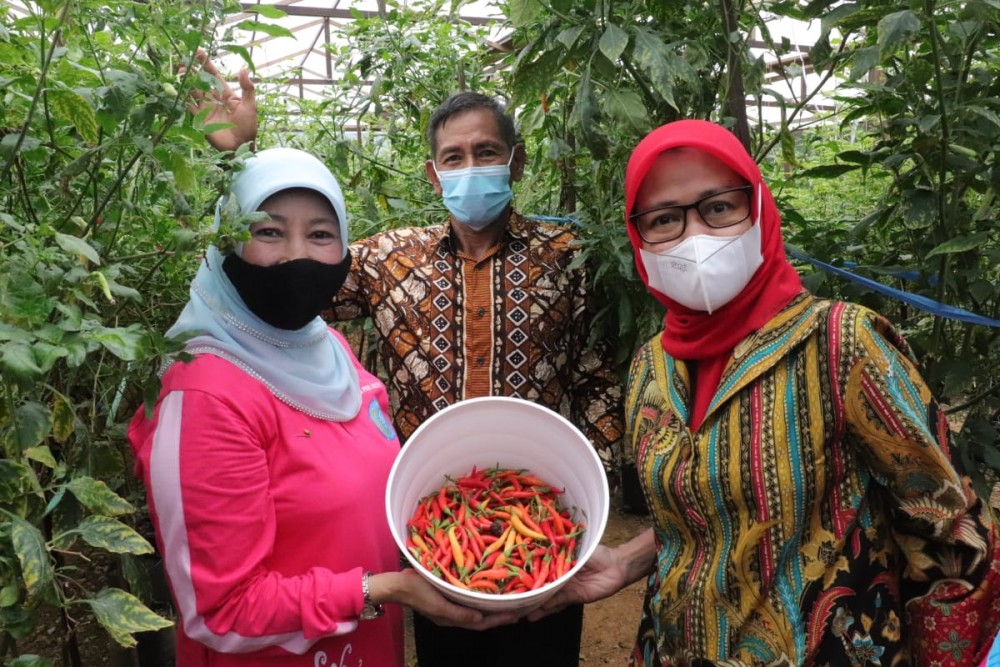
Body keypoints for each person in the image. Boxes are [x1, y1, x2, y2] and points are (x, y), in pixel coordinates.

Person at [190, 52, 625, 667]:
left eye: (486, 152)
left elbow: (598, 381)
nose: (470, 167)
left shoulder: (570, 258)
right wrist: (230, 162)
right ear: (432, 173)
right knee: (445, 651)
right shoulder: (389, 259)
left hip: (539, 516)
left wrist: (589, 493)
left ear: (516, 161)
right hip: (434, 529)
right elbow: (278, 280)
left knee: (543, 651)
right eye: (454, 157)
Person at [528, 120, 1000, 666]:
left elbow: (951, 538)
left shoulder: (841, 342)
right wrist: (629, 561)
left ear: (757, 207)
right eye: (664, 219)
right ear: (639, 239)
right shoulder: (650, 367)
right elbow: (706, 511)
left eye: (719, 208)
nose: (694, 236)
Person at [127, 147, 515, 667]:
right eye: (267, 231)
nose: (297, 256)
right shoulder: (202, 395)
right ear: (225, 243)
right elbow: (220, 611)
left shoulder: (326, 348)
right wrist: (379, 590)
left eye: (320, 234)